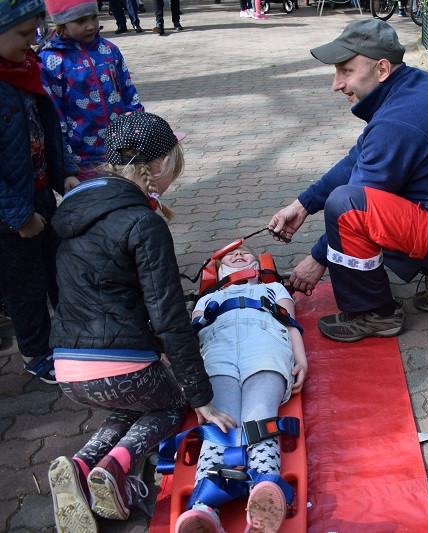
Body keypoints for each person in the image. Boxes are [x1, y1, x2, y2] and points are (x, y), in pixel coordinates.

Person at [46, 111, 235, 532]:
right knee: (169, 400)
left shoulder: (75, 213)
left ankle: (80, 465)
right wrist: (200, 395)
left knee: (130, 400)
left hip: (68, 371)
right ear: (162, 164)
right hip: (118, 366)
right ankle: (117, 468)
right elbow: (169, 317)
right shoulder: (144, 223)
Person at [269, 19, 428, 343]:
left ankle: (376, 315)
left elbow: (356, 202)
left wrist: (317, 259)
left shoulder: (398, 122)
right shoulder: (415, 84)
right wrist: (303, 204)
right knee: (361, 196)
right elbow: (359, 158)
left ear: (381, 69)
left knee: (347, 206)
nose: (336, 84)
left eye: (346, 71)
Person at [174, 245, 308, 532]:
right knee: (220, 422)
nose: (238, 256)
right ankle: (204, 508)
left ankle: (264, 484)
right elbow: (193, 336)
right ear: (219, 271)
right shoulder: (208, 297)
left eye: (246, 254)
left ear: (258, 267)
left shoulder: (273, 290)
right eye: (228, 257)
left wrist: (302, 361)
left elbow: (291, 325)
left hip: (266, 349)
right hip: (218, 353)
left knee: (259, 416)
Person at [0, 0, 78, 384]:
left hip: (40, 192)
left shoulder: (24, 69)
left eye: (35, 31)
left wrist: (65, 172)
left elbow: (47, 129)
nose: (33, 41)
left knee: (57, 268)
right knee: (25, 284)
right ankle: (35, 350)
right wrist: (17, 216)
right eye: (23, 34)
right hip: (11, 214)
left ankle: (72, 334)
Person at [38, 0, 144, 186]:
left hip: (122, 149)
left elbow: (128, 93)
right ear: (62, 22)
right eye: (80, 21)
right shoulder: (51, 60)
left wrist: (136, 132)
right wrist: (66, 165)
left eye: (94, 17)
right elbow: (54, 117)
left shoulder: (109, 50)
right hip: (83, 158)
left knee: (129, 202)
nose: (91, 26)